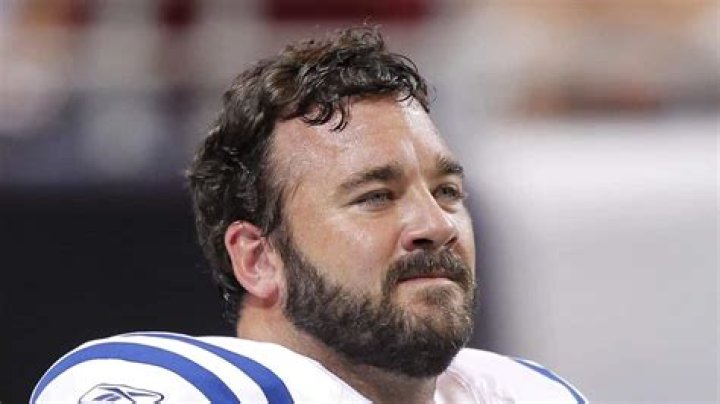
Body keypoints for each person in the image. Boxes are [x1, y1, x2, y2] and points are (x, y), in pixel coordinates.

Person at [32, 26, 586, 403]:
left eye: (447, 192)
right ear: (258, 259)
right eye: (376, 197)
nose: (436, 226)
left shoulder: (527, 393)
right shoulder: (163, 385)